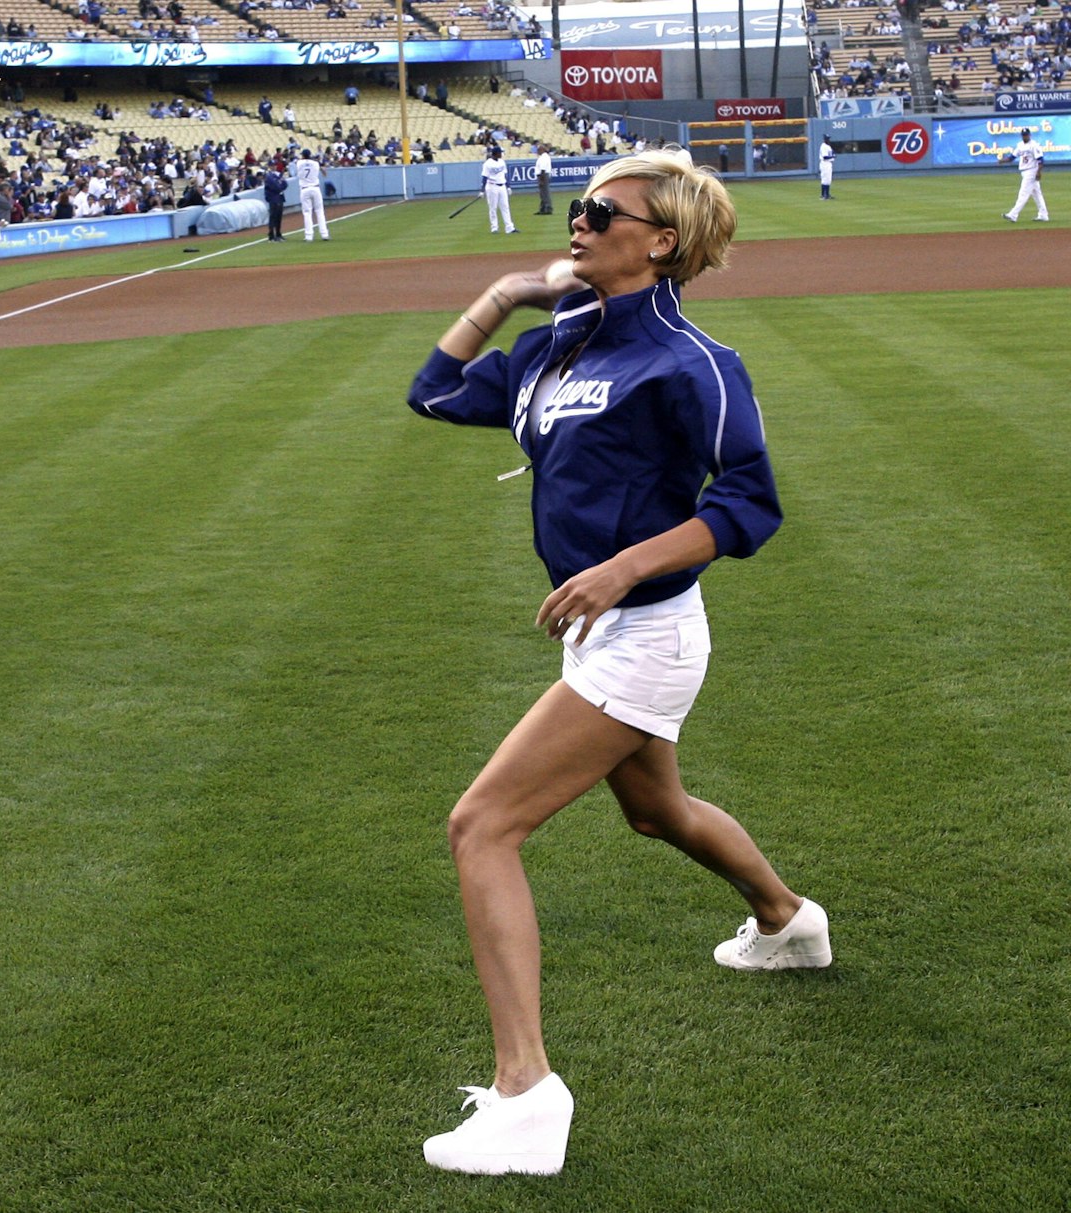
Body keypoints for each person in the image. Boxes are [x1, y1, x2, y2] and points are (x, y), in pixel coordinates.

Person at [405, 150, 832, 1177]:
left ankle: (525, 1095)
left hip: (647, 631)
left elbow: (747, 503)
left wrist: (618, 569)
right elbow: (433, 392)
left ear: (662, 241)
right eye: (581, 207)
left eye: (605, 210)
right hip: (606, 633)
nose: (580, 221)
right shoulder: (554, 345)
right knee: (653, 811)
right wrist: (504, 293)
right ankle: (788, 919)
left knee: (481, 825)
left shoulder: (691, 360)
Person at [1003, 128, 1049, 222]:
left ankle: (1013, 214)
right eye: (1023, 135)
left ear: (1029, 135)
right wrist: (1002, 161)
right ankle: (1043, 215)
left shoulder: (1034, 145)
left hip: (1031, 171)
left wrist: (1038, 172)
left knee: (1023, 194)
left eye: (1026, 135)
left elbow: (1040, 160)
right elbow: (1012, 157)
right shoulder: (1020, 145)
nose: (1025, 136)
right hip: (1024, 171)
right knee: (1037, 194)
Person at [294, 149, 329, 242]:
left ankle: (309, 236)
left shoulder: (299, 163)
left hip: (305, 189)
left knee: (307, 213)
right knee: (319, 211)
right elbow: (324, 172)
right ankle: (324, 234)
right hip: (315, 188)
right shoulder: (315, 163)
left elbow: (300, 163)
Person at [480, 145, 516, 234]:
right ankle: (494, 228)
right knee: (493, 208)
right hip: (492, 186)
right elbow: (484, 177)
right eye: (500, 153)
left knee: (505, 207)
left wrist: (508, 186)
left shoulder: (502, 162)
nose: (501, 154)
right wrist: (482, 190)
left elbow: (505, 175)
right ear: (496, 153)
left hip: (502, 186)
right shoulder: (487, 163)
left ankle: (509, 228)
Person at [263, 163, 287, 241]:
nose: (274, 166)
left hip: (279, 197)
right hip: (273, 198)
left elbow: (285, 184)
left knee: (279, 217)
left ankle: (278, 234)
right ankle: (271, 235)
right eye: (272, 165)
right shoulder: (269, 176)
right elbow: (275, 186)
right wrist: (280, 186)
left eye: (274, 165)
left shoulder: (278, 175)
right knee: (273, 217)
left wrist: (280, 186)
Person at [533, 143, 553, 214]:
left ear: (542, 150)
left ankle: (547, 209)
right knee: (543, 193)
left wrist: (541, 180)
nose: (537, 151)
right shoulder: (543, 157)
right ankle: (543, 208)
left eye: (538, 150)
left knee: (545, 193)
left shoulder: (544, 157)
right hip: (543, 175)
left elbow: (543, 169)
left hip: (543, 176)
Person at [818, 135, 836, 200]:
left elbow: (832, 153)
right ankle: (824, 195)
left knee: (828, 180)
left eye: (829, 139)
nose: (829, 140)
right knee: (825, 179)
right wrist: (832, 157)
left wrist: (833, 155)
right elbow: (825, 157)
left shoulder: (828, 146)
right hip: (825, 163)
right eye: (827, 139)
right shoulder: (823, 146)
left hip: (828, 164)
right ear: (824, 139)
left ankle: (826, 195)